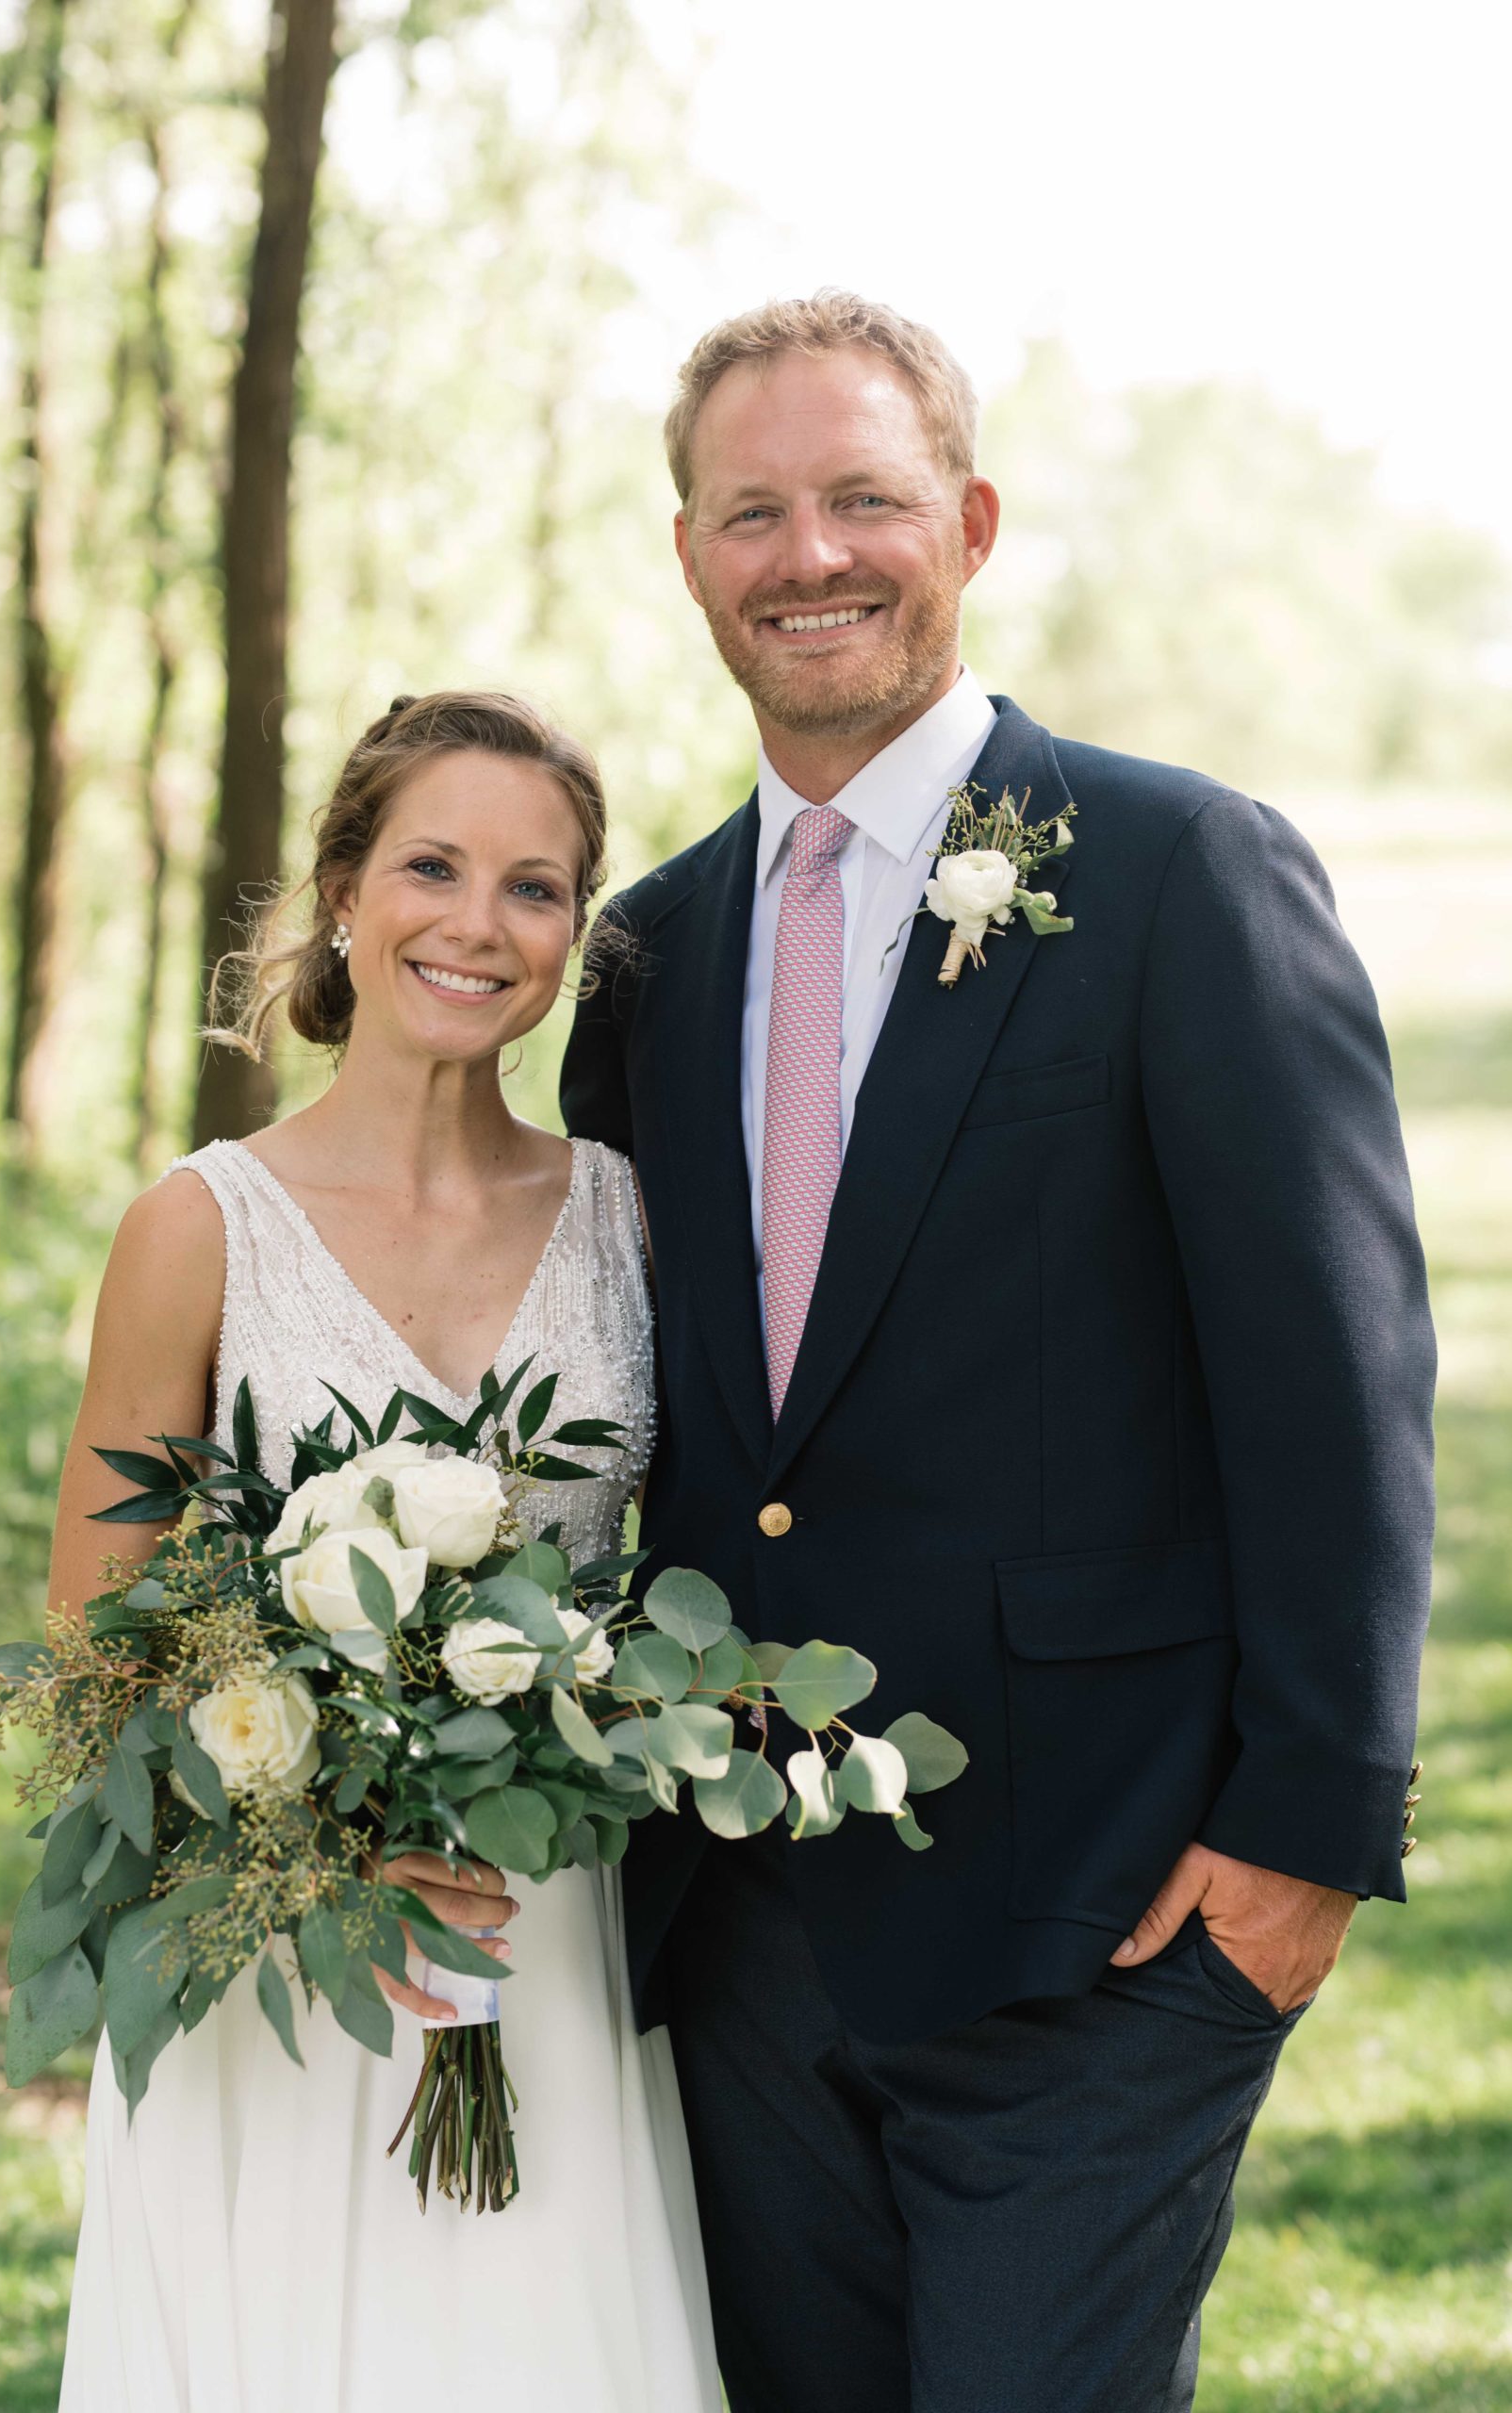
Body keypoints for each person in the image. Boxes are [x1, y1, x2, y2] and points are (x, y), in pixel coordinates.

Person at [561, 291, 1436, 2412]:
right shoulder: (646, 957)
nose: (812, 553)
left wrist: (1309, 1836)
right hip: (742, 1926)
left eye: (863, 497)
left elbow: (1338, 1376)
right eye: (752, 510)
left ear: (966, 519)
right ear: (688, 553)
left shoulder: (1177, 873)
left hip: (1112, 1908)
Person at [53, 692, 718, 2413]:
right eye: (432, 865)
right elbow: (97, 1638)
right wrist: (321, 1852)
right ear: (343, 891)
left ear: (576, 931)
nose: (478, 925)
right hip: (282, 1962)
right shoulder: (199, 1230)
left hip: (547, 1929)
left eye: (536, 886)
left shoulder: (629, 1216)